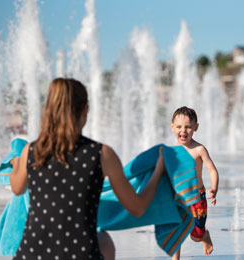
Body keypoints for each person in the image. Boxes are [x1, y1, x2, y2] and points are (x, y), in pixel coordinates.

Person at [9, 78, 165, 260]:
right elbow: (137, 208)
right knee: (104, 240)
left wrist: (16, 163)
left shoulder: (32, 151)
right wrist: (157, 172)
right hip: (80, 254)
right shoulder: (101, 154)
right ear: (85, 110)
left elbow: (16, 188)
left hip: (31, 255)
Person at [169, 106, 219, 259]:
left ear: (196, 127)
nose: (183, 130)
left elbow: (212, 170)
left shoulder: (199, 149)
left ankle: (204, 236)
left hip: (197, 197)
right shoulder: (171, 151)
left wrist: (214, 189)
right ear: (172, 127)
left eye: (188, 127)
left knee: (195, 236)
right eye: (179, 127)